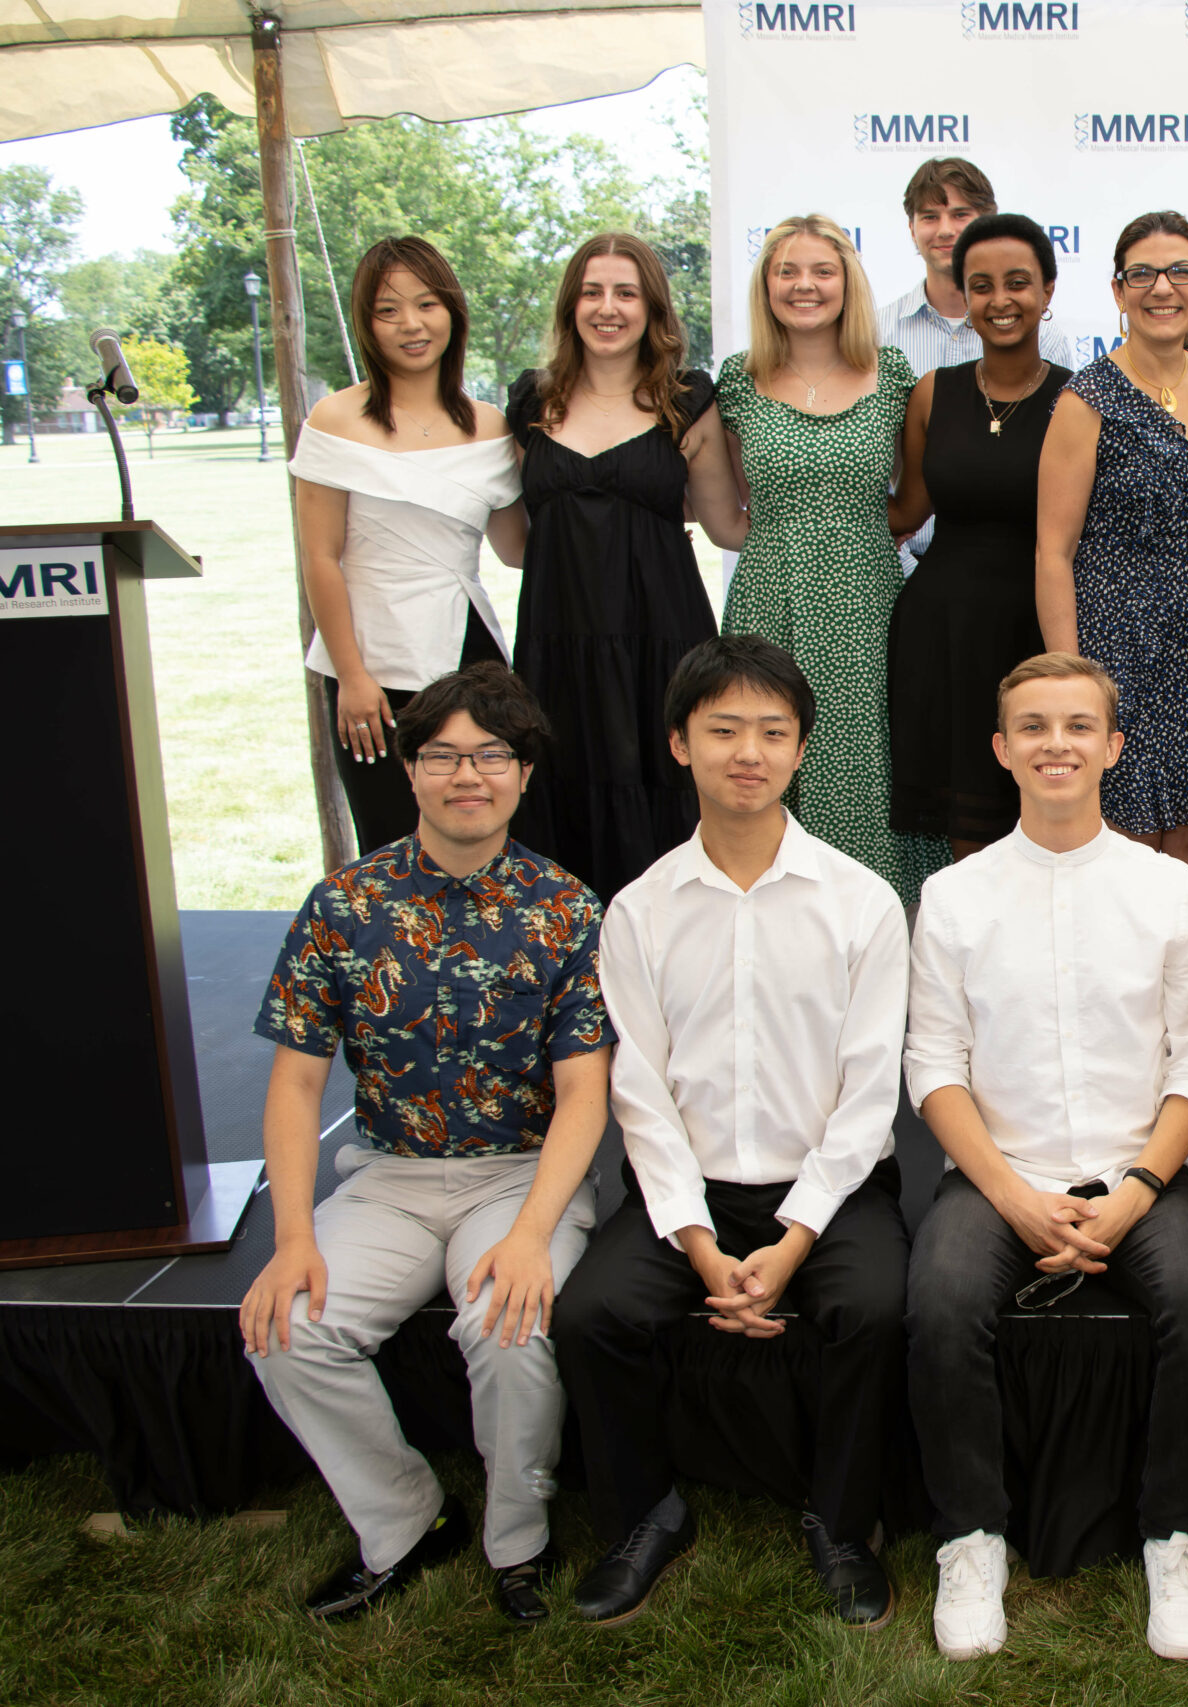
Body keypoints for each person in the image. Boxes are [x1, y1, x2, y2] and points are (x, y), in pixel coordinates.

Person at [241, 661, 610, 1624]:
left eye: (492, 755)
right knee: (290, 1325)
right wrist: (292, 1239)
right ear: (408, 770)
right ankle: (403, 1520)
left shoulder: (568, 909)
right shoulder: (343, 905)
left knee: (508, 1321)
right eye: (442, 754)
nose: (467, 775)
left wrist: (531, 1234)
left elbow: (583, 1095)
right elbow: (295, 1079)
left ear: (524, 773)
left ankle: (518, 1540)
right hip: (390, 1178)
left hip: (521, 1175)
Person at [552, 636, 910, 1629]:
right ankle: (643, 1515)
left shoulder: (862, 902)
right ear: (679, 745)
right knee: (592, 1317)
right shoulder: (639, 910)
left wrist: (794, 1240)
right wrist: (700, 1245)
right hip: (691, 1191)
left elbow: (869, 1092)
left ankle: (843, 1525)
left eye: (771, 732)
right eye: (722, 731)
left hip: (829, 1190)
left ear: (800, 752)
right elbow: (640, 1092)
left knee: (874, 1308)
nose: (747, 753)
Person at [904, 653, 1188, 1664]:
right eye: (1036, 727)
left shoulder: (1171, 889)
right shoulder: (955, 895)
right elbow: (933, 1066)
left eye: (1079, 726)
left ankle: (1174, 1536)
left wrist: (1138, 1192)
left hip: (1143, 1173)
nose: (1058, 744)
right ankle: (971, 1537)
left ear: (1113, 748)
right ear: (1003, 751)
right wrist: (1008, 1196)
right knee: (938, 1302)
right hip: (999, 1174)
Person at [1036, 210, 1188, 937]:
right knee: (1129, 851)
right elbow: (1052, 552)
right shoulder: (1087, 400)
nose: (1161, 287)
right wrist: (1073, 679)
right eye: (1143, 272)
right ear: (1117, 290)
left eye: (1178, 272)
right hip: (1120, 658)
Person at [508, 232, 743, 903]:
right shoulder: (532, 401)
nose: (607, 308)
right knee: (561, 793)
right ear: (570, 306)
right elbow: (522, 538)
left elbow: (726, 524)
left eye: (625, 292)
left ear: (652, 308)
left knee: (666, 797)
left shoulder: (688, 399)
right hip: (559, 643)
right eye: (591, 292)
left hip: (661, 639)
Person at [719, 213, 943, 906]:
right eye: (787, 271)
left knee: (871, 769)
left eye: (822, 271)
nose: (805, 285)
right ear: (765, 285)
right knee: (764, 760)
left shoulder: (894, 373)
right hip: (768, 598)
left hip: (870, 602)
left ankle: (883, 945)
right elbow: (735, 507)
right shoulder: (737, 380)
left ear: (848, 284)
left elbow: (911, 501)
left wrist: (847, 534)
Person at [291, 236, 524, 855]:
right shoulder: (335, 420)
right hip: (373, 659)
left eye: (426, 304)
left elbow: (518, 548)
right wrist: (352, 676)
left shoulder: (490, 423)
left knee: (483, 836)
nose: (412, 325)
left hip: (471, 653)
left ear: (452, 311)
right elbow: (319, 556)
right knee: (390, 839)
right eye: (388, 310)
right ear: (367, 324)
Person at [886, 214, 1075, 858]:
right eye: (982, 285)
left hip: (1034, 629)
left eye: (1018, 283)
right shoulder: (931, 394)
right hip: (941, 635)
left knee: (1044, 817)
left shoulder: (1077, 399)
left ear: (1047, 292)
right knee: (964, 834)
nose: (1001, 300)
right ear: (963, 299)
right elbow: (907, 507)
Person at [876, 157, 1075, 572]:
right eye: (930, 216)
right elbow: (900, 499)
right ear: (911, 228)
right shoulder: (876, 336)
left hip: (1033, 574)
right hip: (906, 575)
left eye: (961, 214)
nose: (945, 229)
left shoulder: (1053, 352)